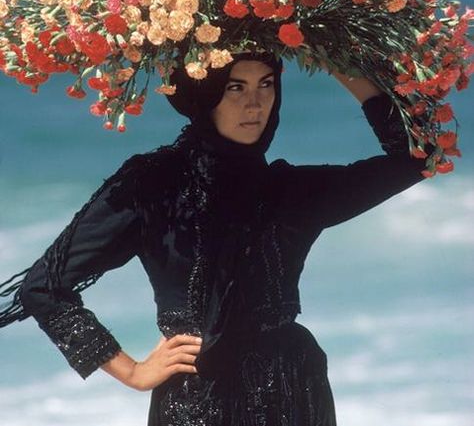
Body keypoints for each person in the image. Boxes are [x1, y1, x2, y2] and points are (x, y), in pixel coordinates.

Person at [0, 52, 430, 425]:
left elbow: (419, 156)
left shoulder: (291, 192)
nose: (255, 103)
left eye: (266, 85)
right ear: (205, 96)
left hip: (292, 389)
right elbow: (43, 286)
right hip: (195, 401)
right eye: (234, 88)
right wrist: (131, 371)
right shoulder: (153, 184)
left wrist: (337, 64)